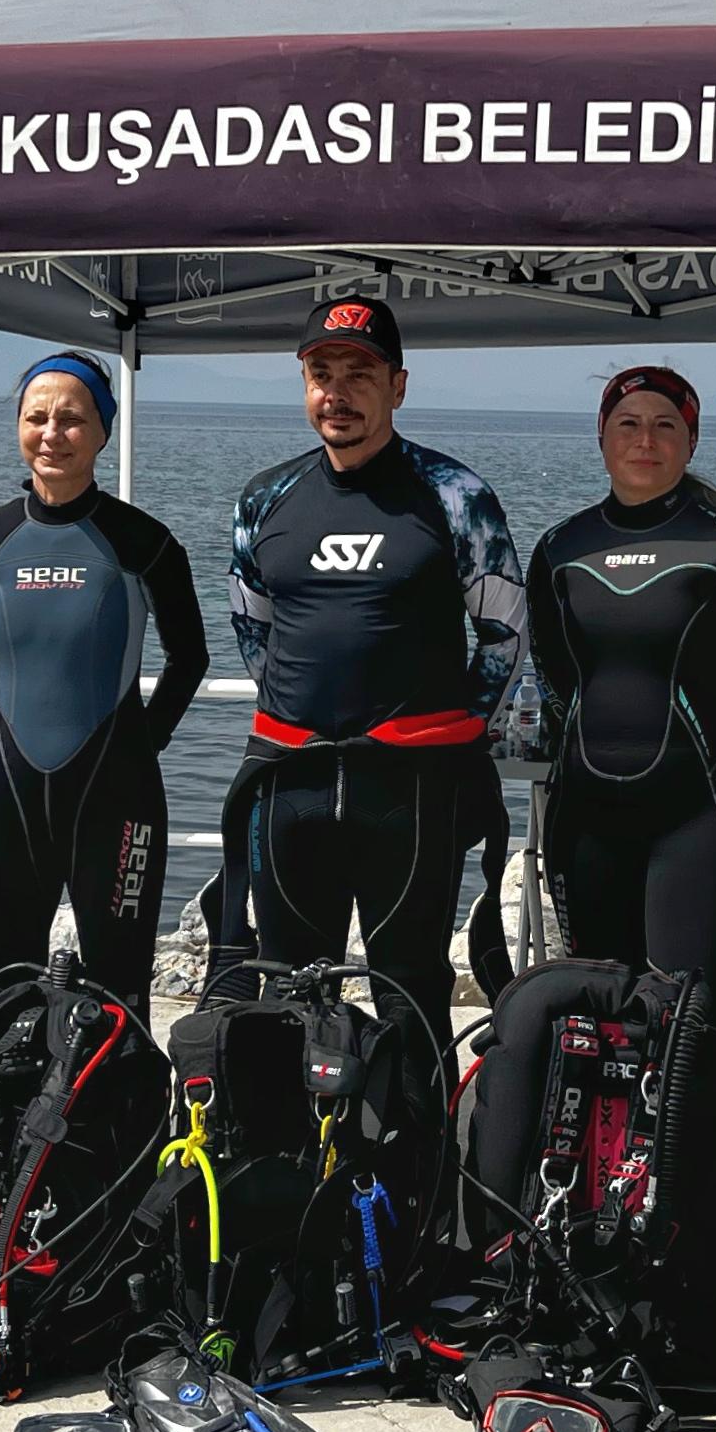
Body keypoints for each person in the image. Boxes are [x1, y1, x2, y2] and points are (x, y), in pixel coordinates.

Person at [525, 365, 716, 1350]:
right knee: (600, 1041)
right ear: (599, 434)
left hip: (697, 827)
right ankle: (604, 1251)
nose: (642, 439)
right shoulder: (559, 548)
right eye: (625, 422)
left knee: (691, 1046)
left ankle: (697, 1279)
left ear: (689, 440)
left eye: (661, 425)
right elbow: (559, 686)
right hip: (587, 826)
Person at [224, 295, 525, 1056]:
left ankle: (417, 1166)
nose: (337, 392)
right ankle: (294, 1167)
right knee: (288, 990)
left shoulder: (455, 497)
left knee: (409, 990)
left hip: (412, 791)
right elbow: (250, 626)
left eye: (359, 374)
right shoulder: (265, 498)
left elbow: (505, 632)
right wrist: (303, 706)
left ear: (398, 385)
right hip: (290, 785)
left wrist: (454, 729)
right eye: (321, 373)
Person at [0, 351, 207, 997]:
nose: (52, 434)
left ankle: (115, 1100)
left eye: (71, 419)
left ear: (101, 431)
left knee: (119, 988)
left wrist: (145, 737)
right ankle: (9, 1101)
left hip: (117, 790)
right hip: (4, 785)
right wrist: (16, 704)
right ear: (19, 426)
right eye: (37, 418)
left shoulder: (145, 543)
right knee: (4, 987)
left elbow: (189, 656)